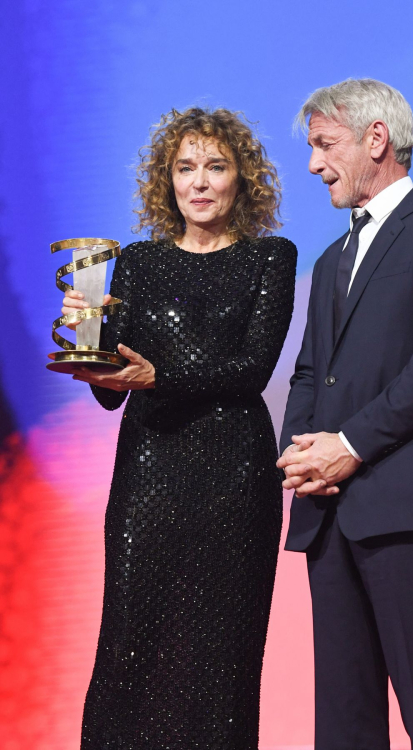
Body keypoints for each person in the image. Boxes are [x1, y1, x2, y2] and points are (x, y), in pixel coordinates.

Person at [63, 107, 297, 749]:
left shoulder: (270, 259)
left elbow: (250, 369)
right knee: (132, 644)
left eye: (215, 167)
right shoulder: (136, 262)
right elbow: (114, 395)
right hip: (148, 478)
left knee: (221, 657)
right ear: (165, 181)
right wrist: (89, 336)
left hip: (234, 480)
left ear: (241, 179)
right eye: (185, 167)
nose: (199, 182)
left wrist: (155, 377)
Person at [277, 79, 413, 750]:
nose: (314, 165)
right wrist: (301, 457)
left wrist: (350, 444)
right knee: (343, 718)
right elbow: (310, 372)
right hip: (328, 510)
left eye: (324, 145)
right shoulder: (332, 258)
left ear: (377, 139)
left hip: (403, 507)